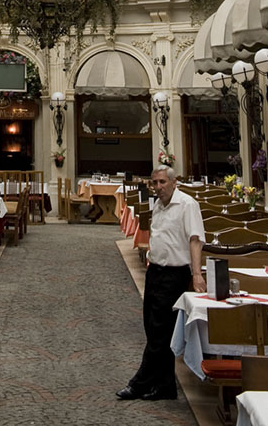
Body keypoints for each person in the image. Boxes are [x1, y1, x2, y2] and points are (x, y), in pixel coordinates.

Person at [116, 166, 205, 402]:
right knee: (152, 327)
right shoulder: (158, 206)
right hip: (155, 271)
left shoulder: (187, 205)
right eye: (154, 183)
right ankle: (165, 386)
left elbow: (195, 240)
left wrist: (197, 274)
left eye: (163, 182)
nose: (158, 187)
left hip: (174, 274)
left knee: (160, 331)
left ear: (174, 182)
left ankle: (139, 383)